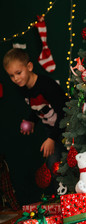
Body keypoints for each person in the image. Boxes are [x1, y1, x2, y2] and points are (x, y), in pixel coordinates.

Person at [3, 48, 68, 194]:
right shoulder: (23, 88)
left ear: (29, 67)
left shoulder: (47, 85)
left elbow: (64, 113)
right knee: (53, 164)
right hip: (52, 130)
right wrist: (31, 120)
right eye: (11, 76)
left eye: (18, 73)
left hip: (67, 129)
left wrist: (51, 138)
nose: (16, 79)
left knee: (71, 162)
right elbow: (37, 107)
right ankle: (62, 200)